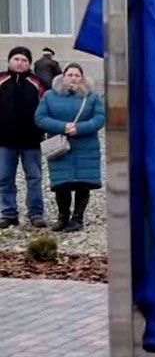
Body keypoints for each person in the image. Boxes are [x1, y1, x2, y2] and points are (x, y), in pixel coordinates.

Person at [33, 64, 105, 232]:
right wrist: (62, 126)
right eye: (70, 74)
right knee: (61, 184)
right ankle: (63, 217)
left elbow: (100, 118)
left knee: (83, 184)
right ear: (63, 77)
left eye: (77, 75)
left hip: (86, 146)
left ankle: (77, 218)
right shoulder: (50, 96)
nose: (73, 78)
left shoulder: (92, 96)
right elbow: (40, 118)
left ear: (82, 78)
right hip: (60, 146)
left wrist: (79, 128)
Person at [0, 47, 46, 228]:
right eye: (16, 59)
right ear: (9, 60)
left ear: (29, 63)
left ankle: (36, 213)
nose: (20, 63)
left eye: (24, 60)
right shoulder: (1, 80)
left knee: (34, 178)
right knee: (5, 178)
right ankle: (8, 213)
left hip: (31, 141)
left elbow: (47, 107)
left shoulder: (37, 83)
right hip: (4, 140)